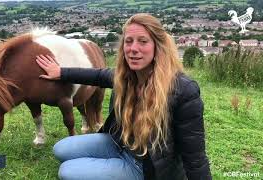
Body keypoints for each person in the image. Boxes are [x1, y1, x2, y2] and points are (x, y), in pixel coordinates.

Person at [36, 13, 212, 180]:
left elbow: (195, 156)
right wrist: (60, 72)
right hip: (119, 143)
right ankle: (110, 165)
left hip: (143, 165)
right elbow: (96, 76)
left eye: (143, 41)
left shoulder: (183, 90)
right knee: (60, 149)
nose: (133, 49)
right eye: (129, 41)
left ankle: (115, 168)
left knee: (66, 171)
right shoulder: (126, 77)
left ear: (158, 46)